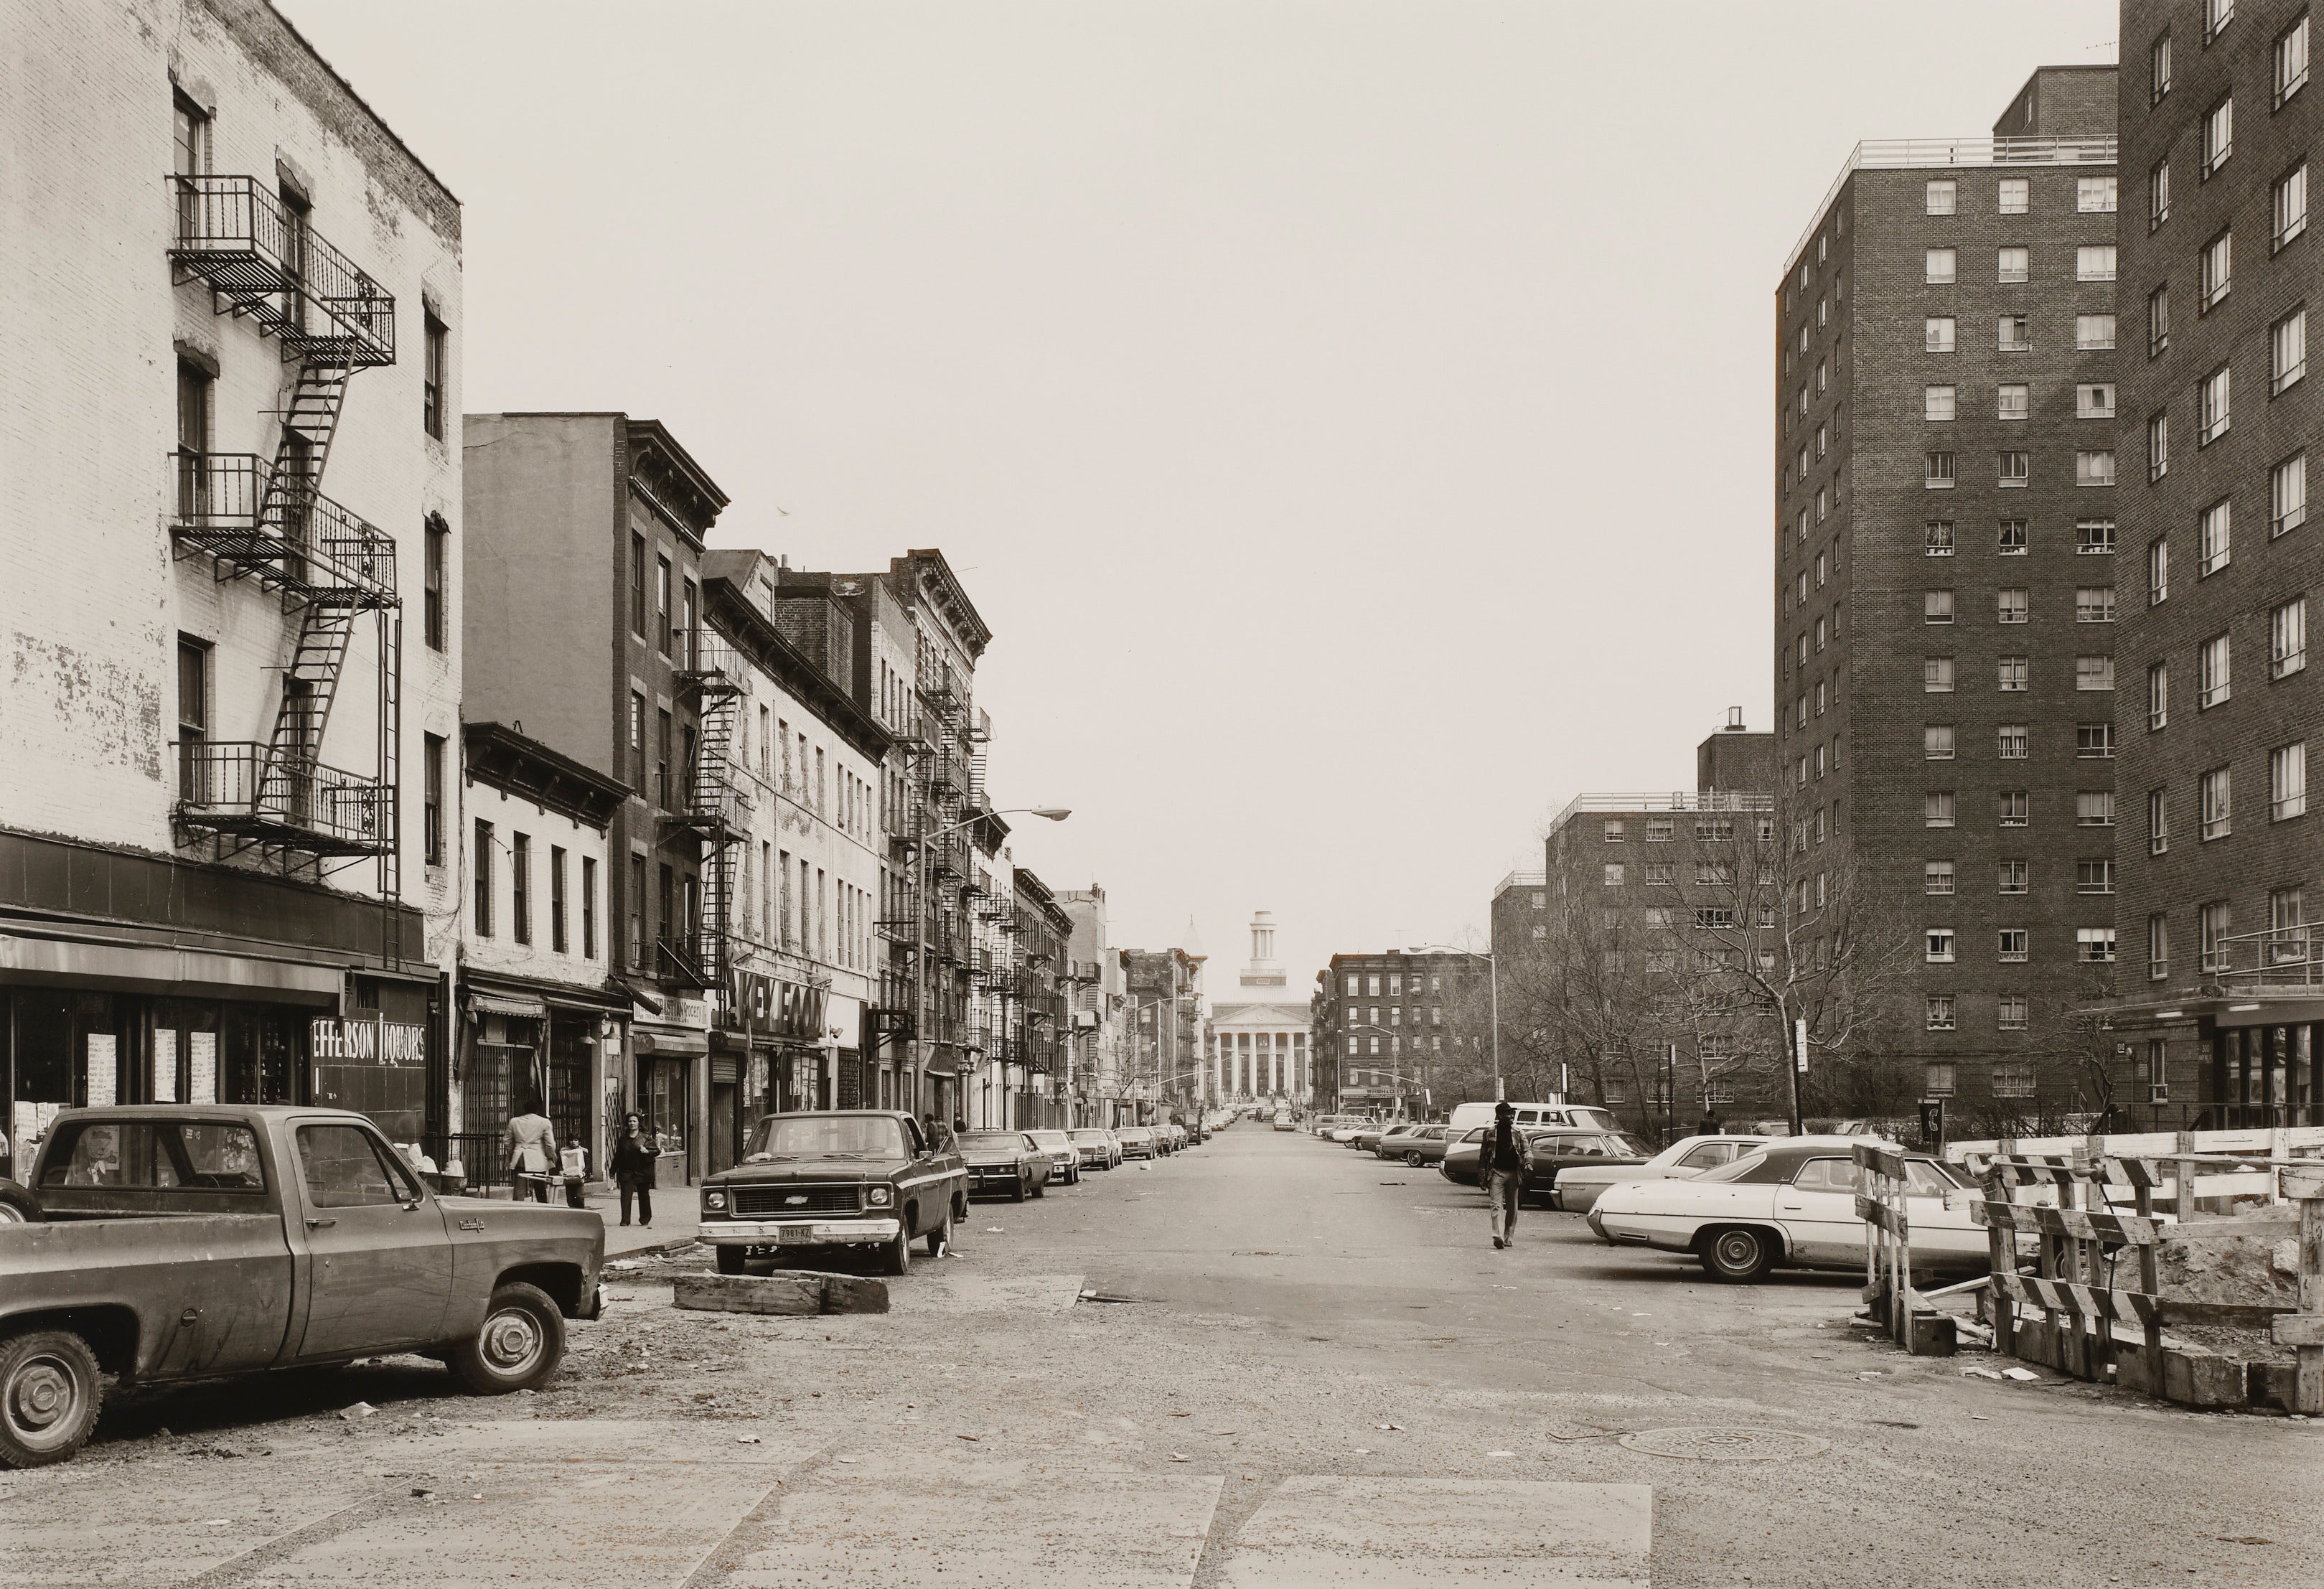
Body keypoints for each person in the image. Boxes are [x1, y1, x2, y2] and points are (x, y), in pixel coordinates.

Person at [1481, 1100, 1525, 1250]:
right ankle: (1497, 1236)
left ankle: (1508, 1237)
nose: (1511, 1115)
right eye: (1508, 1113)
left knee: (1512, 1207)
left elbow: (1527, 1150)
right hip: (1496, 1173)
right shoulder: (1489, 1133)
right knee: (1495, 1205)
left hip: (1514, 1174)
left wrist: (1529, 1163)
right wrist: (1481, 1177)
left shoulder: (1518, 1132)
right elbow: (1483, 1156)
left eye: (1512, 1113)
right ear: (1500, 1116)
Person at [505, 1099, 558, 1204]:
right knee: (539, 1186)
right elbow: (550, 1144)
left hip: (520, 1156)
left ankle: (517, 1208)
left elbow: (507, 1141)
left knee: (519, 1185)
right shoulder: (544, 1122)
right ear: (537, 1110)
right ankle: (543, 1208)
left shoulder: (514, 1121)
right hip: (537, 1157)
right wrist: (550, 1155)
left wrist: (512, 1153)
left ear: (524, 1110)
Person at [610, 1111, 655, 1227]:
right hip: (627, 1171)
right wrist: (612, 1170)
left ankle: (645, 1218)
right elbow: (618, 1156)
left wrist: (647, 1151)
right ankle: (625, 1220)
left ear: (639, 1123)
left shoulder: (646, 1138)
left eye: (634, 1121)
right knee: (625, 1195)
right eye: (630, 1121)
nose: (632, 1123)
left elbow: (657, 1151)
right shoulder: (623, 1139)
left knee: (643, 1195)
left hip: (643, 1171)